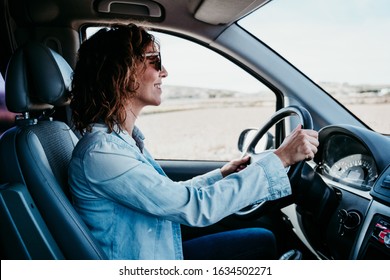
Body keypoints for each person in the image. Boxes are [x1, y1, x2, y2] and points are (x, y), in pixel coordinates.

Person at [68, 24, 319, 260]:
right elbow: (194, 207)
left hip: (154, 252)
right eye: (155, 61)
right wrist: (281, 157)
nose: (164, 72)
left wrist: (221, 174)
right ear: (120, 71)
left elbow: (171, 195)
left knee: (261, 238)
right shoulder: (102, 153)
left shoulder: (120, 141)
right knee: (262, 241)